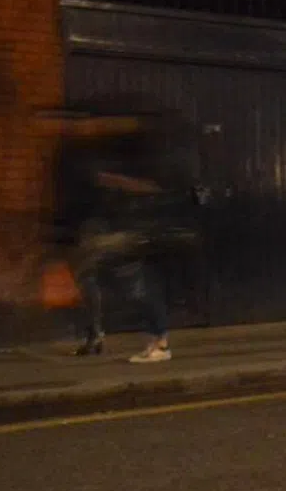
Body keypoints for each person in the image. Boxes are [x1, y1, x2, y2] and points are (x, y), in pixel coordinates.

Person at [50, 105, 198, 362]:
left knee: (134, 284)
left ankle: (159, 342)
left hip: (121, 226)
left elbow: (154, 187)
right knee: (91, 281)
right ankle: (98, 336)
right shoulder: (79, 154)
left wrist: (115, 183)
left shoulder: (128, 152)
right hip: (98, 227)